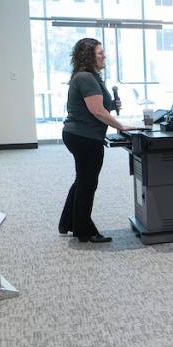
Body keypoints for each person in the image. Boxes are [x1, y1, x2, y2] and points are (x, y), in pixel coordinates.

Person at [58, 38, 134, 243]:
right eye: (100, 53)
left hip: (82, 134)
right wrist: (121, 126)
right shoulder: (86, 78)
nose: (104, 57)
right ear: (88, 55)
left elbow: (100, 105)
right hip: (84, 136)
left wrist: (112, 103)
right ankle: (84, 230)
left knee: (83, 179)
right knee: (87, 183)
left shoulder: (91, 77)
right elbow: (97, 111)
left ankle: (69, 222)